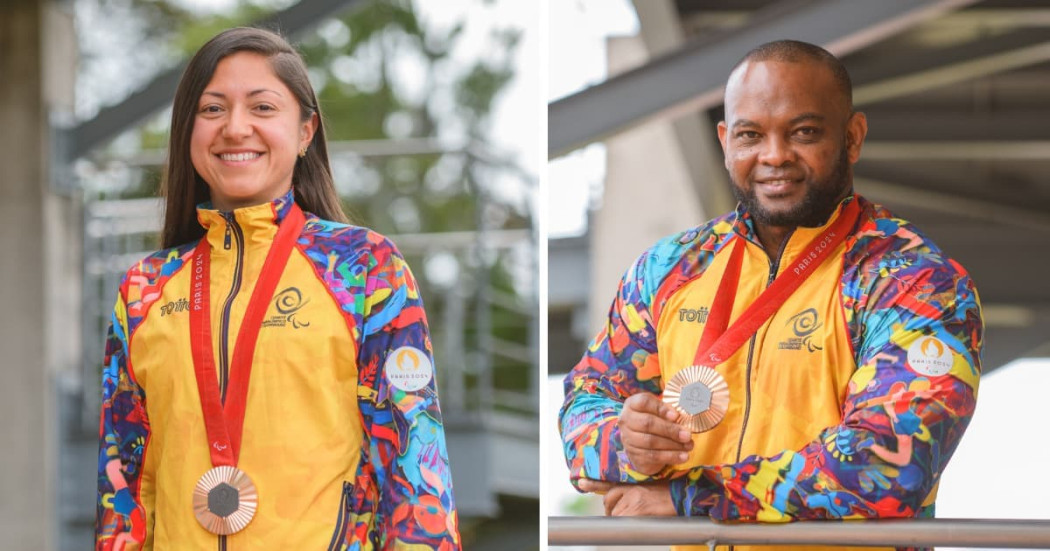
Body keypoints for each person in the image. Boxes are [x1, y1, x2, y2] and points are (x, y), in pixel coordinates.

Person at [559, 40, 981, 549]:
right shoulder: (668, 269)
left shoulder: (913, 280)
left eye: (803, 132)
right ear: (724, 140)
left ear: (852, 137)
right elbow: (586, 399)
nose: (775, 155)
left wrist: (690, 497)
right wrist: (628, 446)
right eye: (750, 135)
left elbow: (889, 467)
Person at [95, 27, 459, 550]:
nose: (235, 128)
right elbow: (123, 487)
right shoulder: (144, 289)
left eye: (262, 108)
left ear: (306, 131)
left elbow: (413, 461)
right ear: (187, 130)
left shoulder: (364, 268)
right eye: (212, 109)